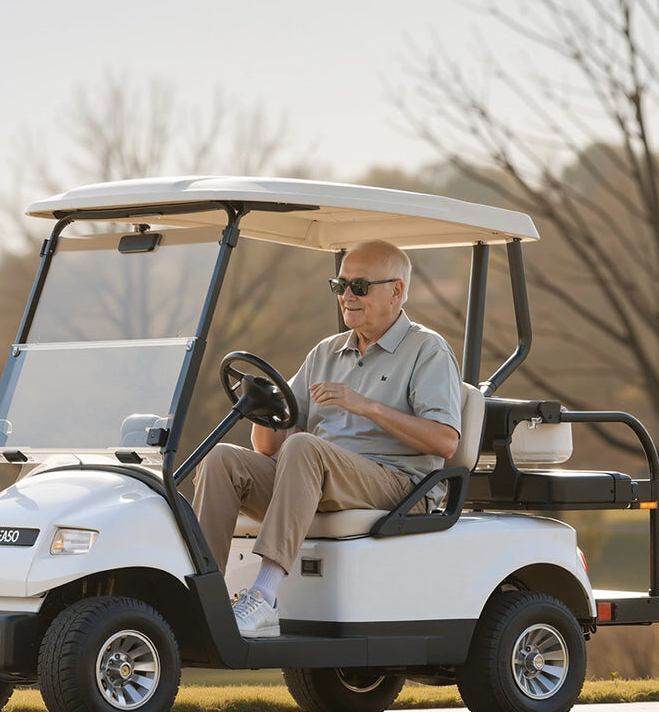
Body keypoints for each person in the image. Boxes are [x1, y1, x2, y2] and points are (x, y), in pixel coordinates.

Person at [193, 240, 462, 639]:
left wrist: (366, 406)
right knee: (221, 460)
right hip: (318, 476)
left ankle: (264, 597)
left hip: (398, 484)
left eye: (360, 286)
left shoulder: (427, 350)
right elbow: (267, 448)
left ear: (397, 291)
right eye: (340, 286)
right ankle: (203, 599)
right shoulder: (327, 352)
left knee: (303, 447)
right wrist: (263, 410)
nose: (348, 296)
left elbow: (445, 442)